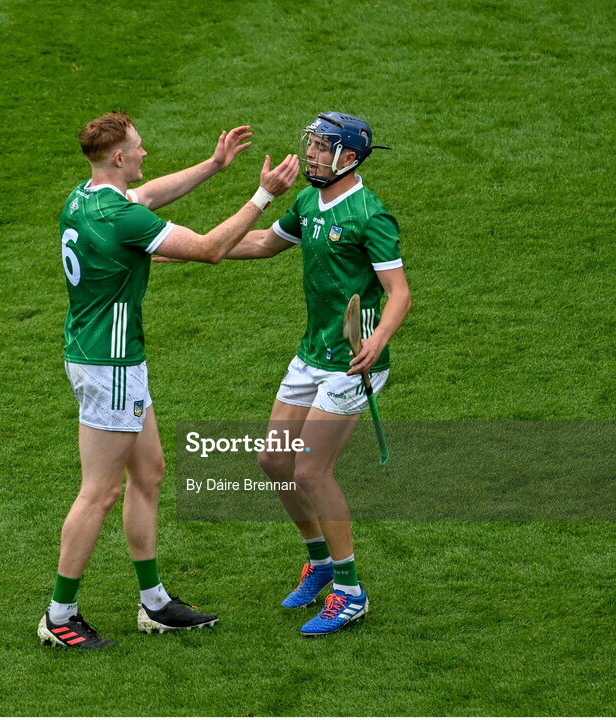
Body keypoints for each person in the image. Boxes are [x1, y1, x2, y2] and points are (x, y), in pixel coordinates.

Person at [38, 112, 299, 649]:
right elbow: (208, 249)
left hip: (107, 356)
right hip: (109, 367)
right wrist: (262, 195)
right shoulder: (118, 218)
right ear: (118, 158)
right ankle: (59, 615)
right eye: (137, 148)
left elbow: (148, 196)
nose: (143, 154)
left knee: (150, 473)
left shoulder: (84, 197)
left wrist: (214, 165)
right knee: (100, 491)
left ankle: (153, 603)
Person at [225, 111, 411, 636]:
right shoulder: (309, 201)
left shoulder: (371, 215)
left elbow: (399, 294)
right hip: (313, 352)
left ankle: (350, 592)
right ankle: (320, 561)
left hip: (354, 361)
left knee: (310, 470)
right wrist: (191, 250)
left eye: (320, 147)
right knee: (273, 460)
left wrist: (377, 341)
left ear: (348, 157)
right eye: (310, 144)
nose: (308, 154)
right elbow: (264, 243)